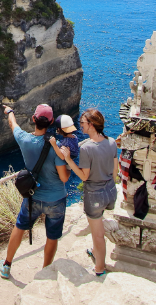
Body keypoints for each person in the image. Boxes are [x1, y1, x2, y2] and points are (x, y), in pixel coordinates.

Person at [0, 103, 70, 280]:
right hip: (56, 199)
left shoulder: (24, 139)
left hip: (33, 197)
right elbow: (64, 178)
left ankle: (7, 265)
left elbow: (12, 124)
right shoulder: (57, 147)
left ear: (33, 119)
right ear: (51, 122)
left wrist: (10, 111)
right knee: (52, 236)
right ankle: (45, 271)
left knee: (20, 227)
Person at [57, 108, 120, 277]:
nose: (80, 126)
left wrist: (69, 159)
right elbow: (115, 171)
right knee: (97, 227)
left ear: (91, 125)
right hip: (110, 192)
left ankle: (99, 268)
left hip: (95, 196)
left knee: (98, 234)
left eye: (82, 123)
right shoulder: (112, 142)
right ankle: (95, 251)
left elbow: (84, 177)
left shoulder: (87, 149)